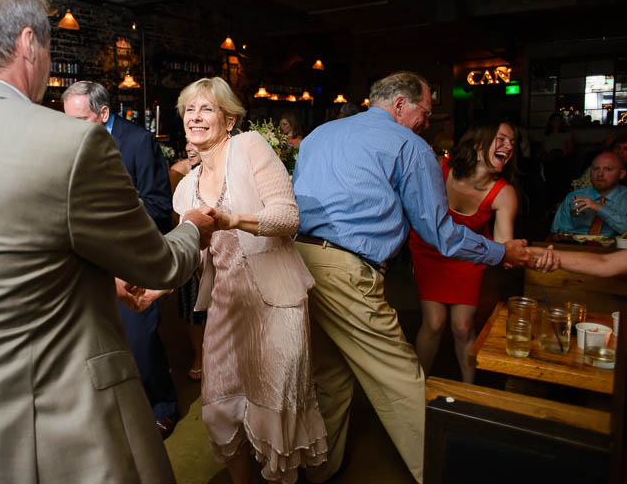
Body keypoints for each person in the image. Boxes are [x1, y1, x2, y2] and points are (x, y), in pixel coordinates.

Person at [0, 0, 214, 484]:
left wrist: (97, 280)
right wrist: (194, 227)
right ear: (28, 45)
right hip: (44, 433)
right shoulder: (70, 143)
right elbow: (157, 265)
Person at [292, 71, 530, 483]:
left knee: (329, 375)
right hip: (346, 270)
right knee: (401, 377)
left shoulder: (319, 135)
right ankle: (446, 472)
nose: (427, 121)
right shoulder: (409, 145)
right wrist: (499, 250)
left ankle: (320, 469)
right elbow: (440, 232)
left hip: (297, 263)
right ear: (401, 105)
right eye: (425, 111)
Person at [174, 77, 327, 484]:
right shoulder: (185, 190)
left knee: (274, 407)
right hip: (227, 303)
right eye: (189, 109)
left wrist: (232, 220)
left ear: (229, 118)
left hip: (277, 301)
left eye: (206, 109)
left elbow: (287, 216)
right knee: (218, 408)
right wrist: (153, 286)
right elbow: (195, 257)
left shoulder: (249, 147)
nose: (196, 116)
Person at [62, 80, 178, 437]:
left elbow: (160, 205)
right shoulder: (71, 141)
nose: (72, 128)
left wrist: (111, 212)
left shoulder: (139, 142)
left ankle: (162, 406)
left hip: (131, 256)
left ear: (104, 113)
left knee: (141, 339)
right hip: (88, 257)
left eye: (81, 119)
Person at [410, 121, 518, 384]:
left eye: (512, 143)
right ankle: (415, 391)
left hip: (469, 256)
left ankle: (469, 392)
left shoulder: (504, 193)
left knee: (463, 327)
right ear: (478, 144)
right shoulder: (439, 168)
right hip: (429, 252)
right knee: (433, 323)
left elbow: (504, 246)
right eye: (502, 139)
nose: (509, 146)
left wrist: (516, 255)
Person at [169, 142, 206, 381]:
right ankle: (199, 357)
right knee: (192, 308)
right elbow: (175, 216)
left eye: (196, 144)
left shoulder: (226, 170)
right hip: (190, 244)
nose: (190, 147)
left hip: (220, 247)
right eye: (187, 141)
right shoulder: (178, 171)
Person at [550, 151, 627, 237]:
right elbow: (558, 231)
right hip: (577, 247)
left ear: (621, 174)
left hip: (616, 248)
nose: (600, 174)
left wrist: (599, 208)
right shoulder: (574, 196)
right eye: (596, 168)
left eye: (608, 169)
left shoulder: (624, 197)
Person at [540, 111, 574, 206]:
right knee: (550, 185)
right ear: (550, 122)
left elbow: (571, 149)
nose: (557, 122)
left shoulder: (566, 134)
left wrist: (560, 153)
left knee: (561, 185)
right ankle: (551, 206)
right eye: (555, 120)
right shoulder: (546, 134)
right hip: (549, 161)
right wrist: (544, 156)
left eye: (559, 120)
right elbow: (543, 148)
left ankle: (560, 205)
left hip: (561, 162)